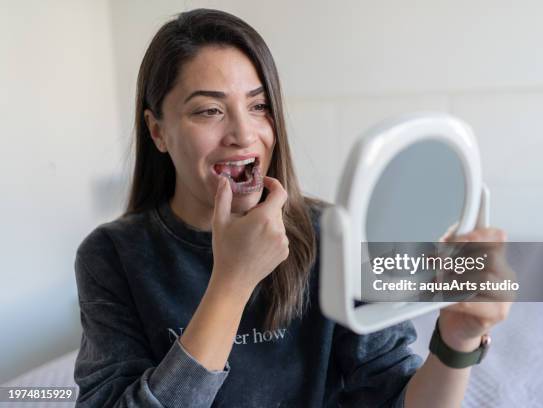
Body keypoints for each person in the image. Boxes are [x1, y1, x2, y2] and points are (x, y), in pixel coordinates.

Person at [73, 8, 512, 407]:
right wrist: (231, 283)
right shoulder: (110, 257)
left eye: (259, 106)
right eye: (209, 110)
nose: (243, 134)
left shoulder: (332, 237)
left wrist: (457, 341)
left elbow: (397, 395)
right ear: (158, 132)